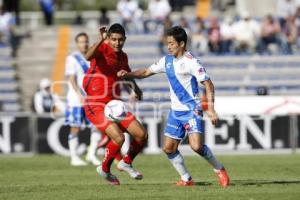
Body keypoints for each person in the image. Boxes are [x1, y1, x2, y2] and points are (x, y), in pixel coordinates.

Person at [117, 26, 230, 187]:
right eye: (167, 43)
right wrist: (128, 74)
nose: (168, 46)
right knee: (169, 148)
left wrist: (211, 109)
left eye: (171, 43)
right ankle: (186, 179)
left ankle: (219, 169)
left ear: (182, 43)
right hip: (175, 112)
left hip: (192, 110)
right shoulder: (166, 61)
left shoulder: (192, 62)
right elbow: (146, 72)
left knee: (196, 146)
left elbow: (209, 84)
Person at [83, 23, 148, 185]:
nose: (117, 43)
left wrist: (137, 89)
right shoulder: (102, 49)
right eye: (113, 39)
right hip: (94, 103)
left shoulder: (123, 57)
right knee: (118, 138)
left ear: (124, 39)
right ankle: (105, 169)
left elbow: (126, 75)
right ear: (109, 39)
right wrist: (101, 39)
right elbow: (87, 56)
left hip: (113, 103)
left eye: (120, 40)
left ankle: (125, 162)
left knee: (141, 135)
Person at [64, 32, 102, 166]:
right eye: (81, 41)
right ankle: (74, 157)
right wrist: (79, 94)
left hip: (92, 98)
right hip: (76, 99)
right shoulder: (72, 58)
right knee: (75, 127)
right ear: (77, 43)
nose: (84, 44)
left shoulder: (92, 57)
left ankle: (91, 154)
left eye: (85, 41)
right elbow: (71, 78)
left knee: (98, 126)